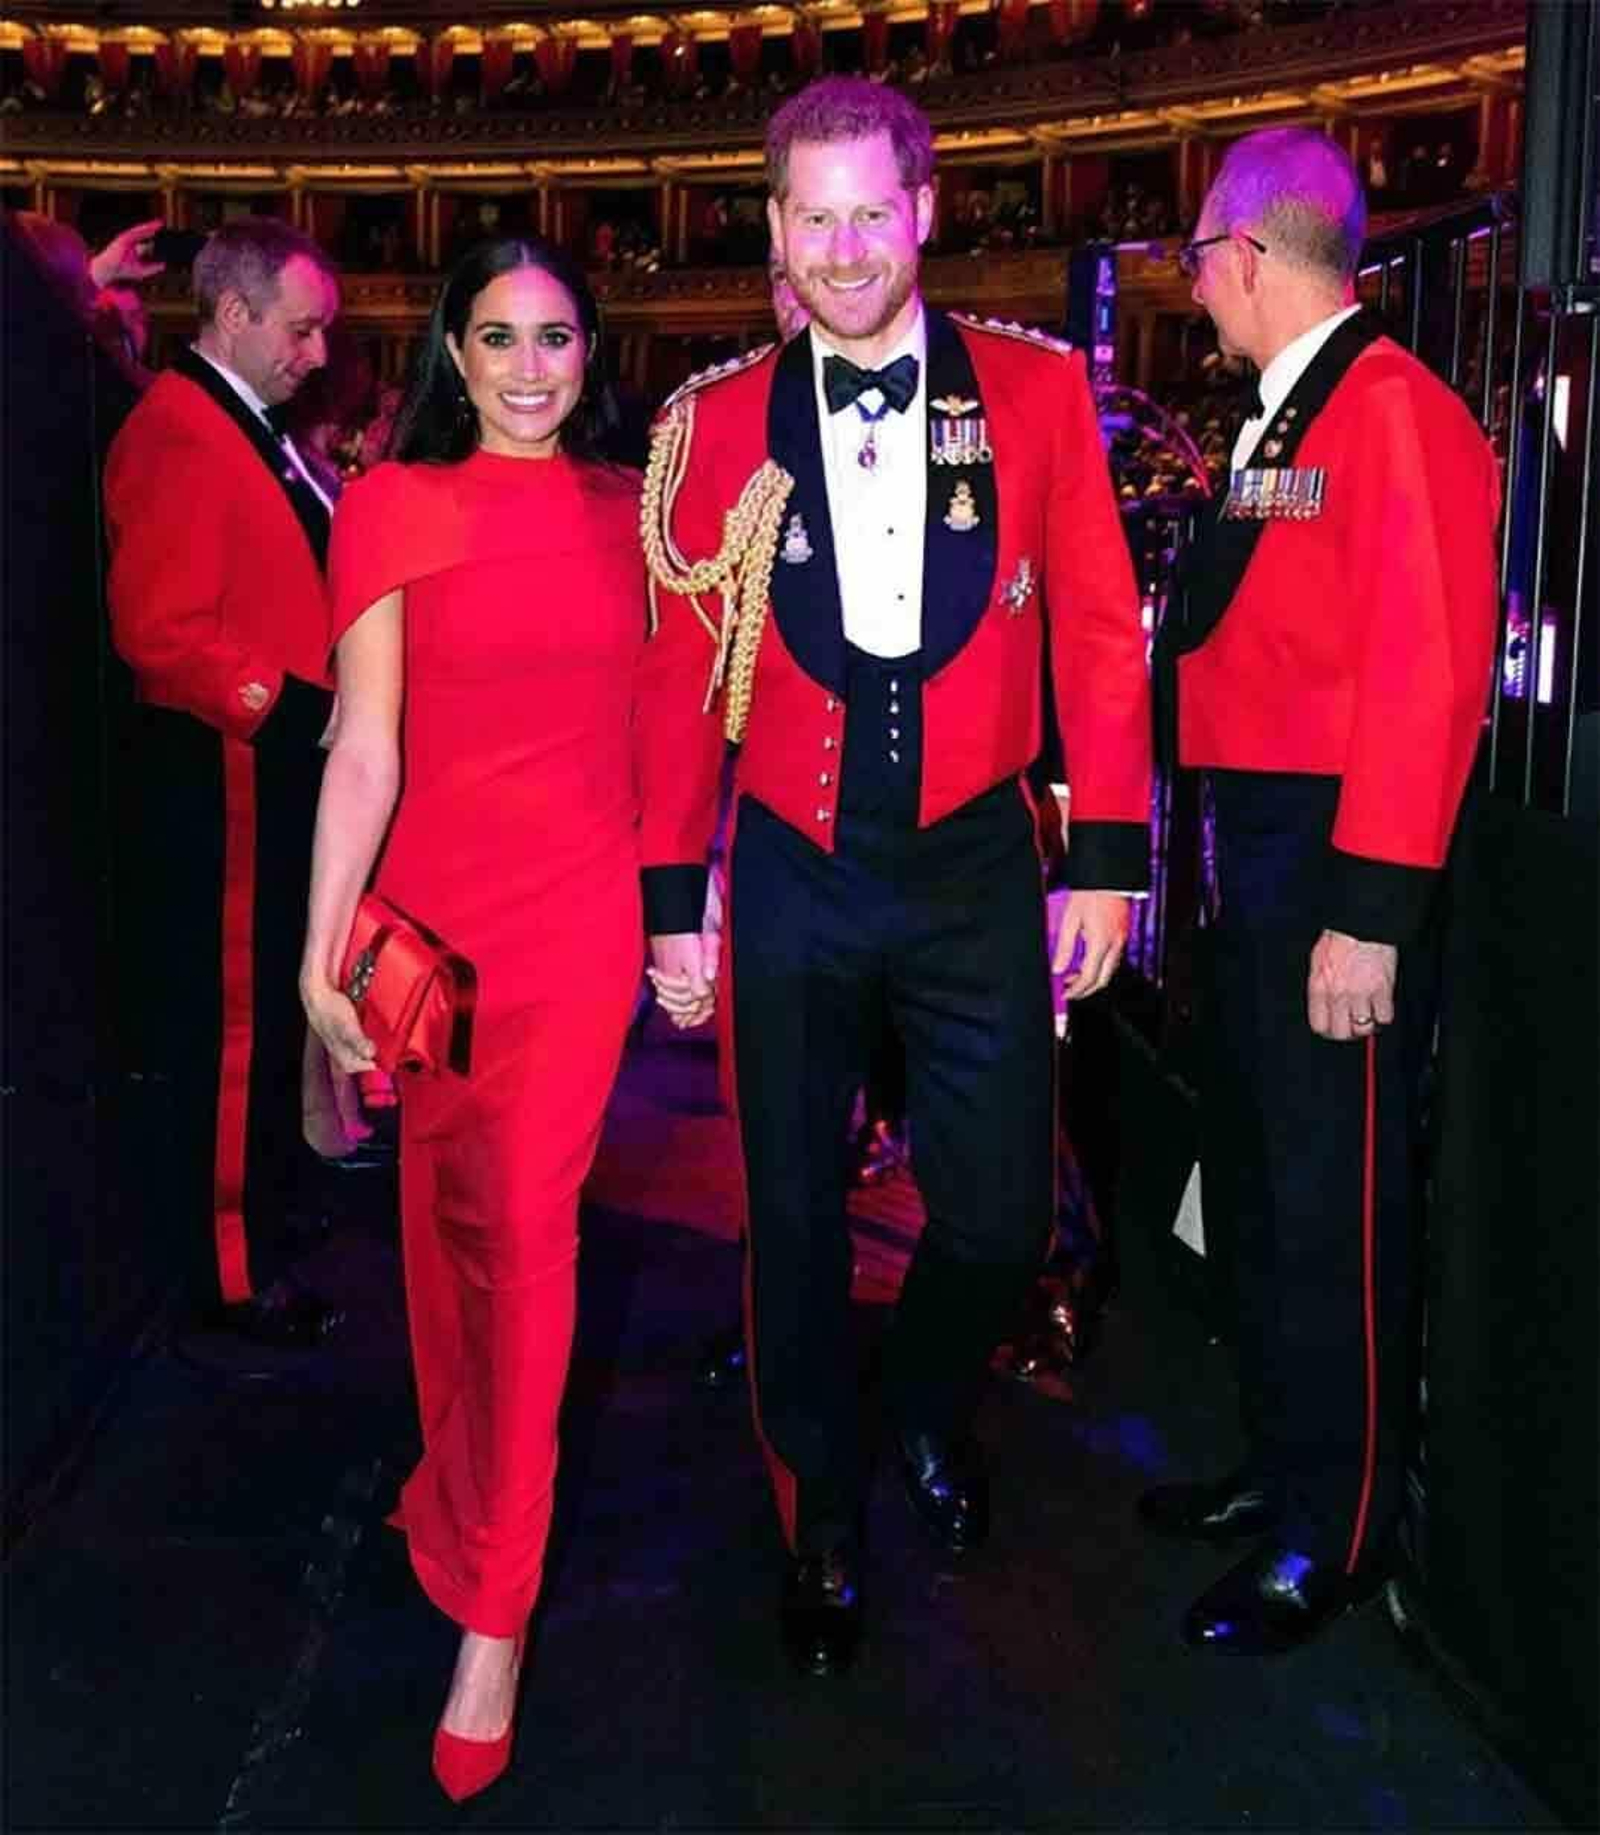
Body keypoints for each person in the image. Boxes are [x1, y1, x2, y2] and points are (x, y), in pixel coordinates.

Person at [642, 77, 1151, 1675]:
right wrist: (675, 894)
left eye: (875, 211)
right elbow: (673, 681)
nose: (847, 247)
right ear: (776, 228)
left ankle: (925, 1400)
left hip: (979, 861)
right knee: (789, 1213)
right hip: (792, 863)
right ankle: (820, 1501)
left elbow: (1100, 630)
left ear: (925, 212)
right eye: (815, 216)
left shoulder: (1036, 392)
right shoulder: (714, 420)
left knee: (1000, 1215)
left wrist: (1114, 864)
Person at [299, 236, 709, 1802]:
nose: (531, 367)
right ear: (452, 358)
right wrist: (316, 949)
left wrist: (684, 906)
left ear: (589, 352)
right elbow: (363, 748)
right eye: (498, 337)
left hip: (580, 925)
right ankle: (459, 1487)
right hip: (437, 934)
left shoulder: (632, 516)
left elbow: (676, 727)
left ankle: (497, 1607)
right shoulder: (397, 506)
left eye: (556, 337)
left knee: (531, 1237)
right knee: (444, 1222)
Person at [1144, 127, 1500, 1653]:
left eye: (1201, 260)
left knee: (1339, 1207)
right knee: (1274, 1195)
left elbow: (1426, 674)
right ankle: (1287, 1465)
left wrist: (1371, 906)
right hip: (1255, 857)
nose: (1196, 289)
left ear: (1250, 253)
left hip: (1332, 870)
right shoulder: (1292, 416)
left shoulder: (1393, 412)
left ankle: (1336, 1532)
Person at [104, 217, 344, 1348]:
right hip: (228, 774)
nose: (317, 355)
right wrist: (301, 710)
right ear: (236, 317)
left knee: (259, 1022)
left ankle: (256, 1225)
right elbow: (160, 631)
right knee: (236, 1031)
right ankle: (230, 1270)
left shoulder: (239, 425)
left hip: (264, 769)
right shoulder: (181, 431)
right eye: (300, 330)